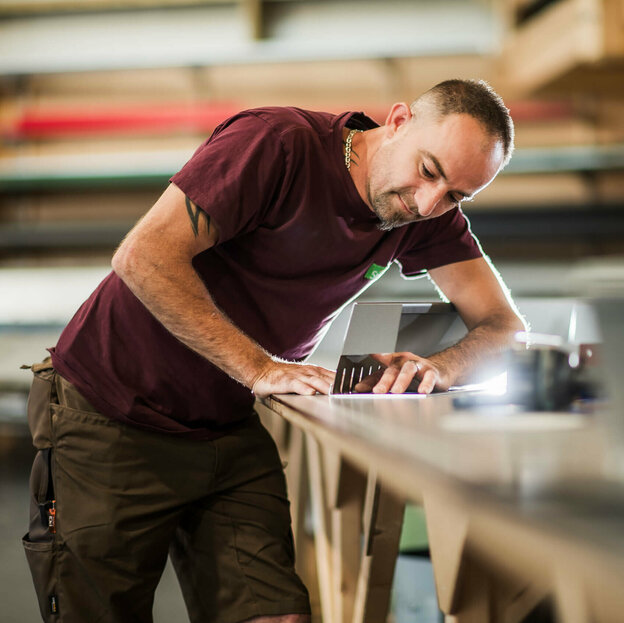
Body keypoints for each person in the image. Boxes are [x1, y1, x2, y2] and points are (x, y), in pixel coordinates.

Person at [22, 78, 525, 623]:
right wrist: (260, 368)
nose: (428, 202)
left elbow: (504, 326)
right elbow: (143, 257)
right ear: (399, 120)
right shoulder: (275, 144)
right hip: (108, 412)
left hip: (224, 427)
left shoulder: (424, 216)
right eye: (429, 171)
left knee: (277, 614)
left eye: (455, 195)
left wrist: (438, 367)